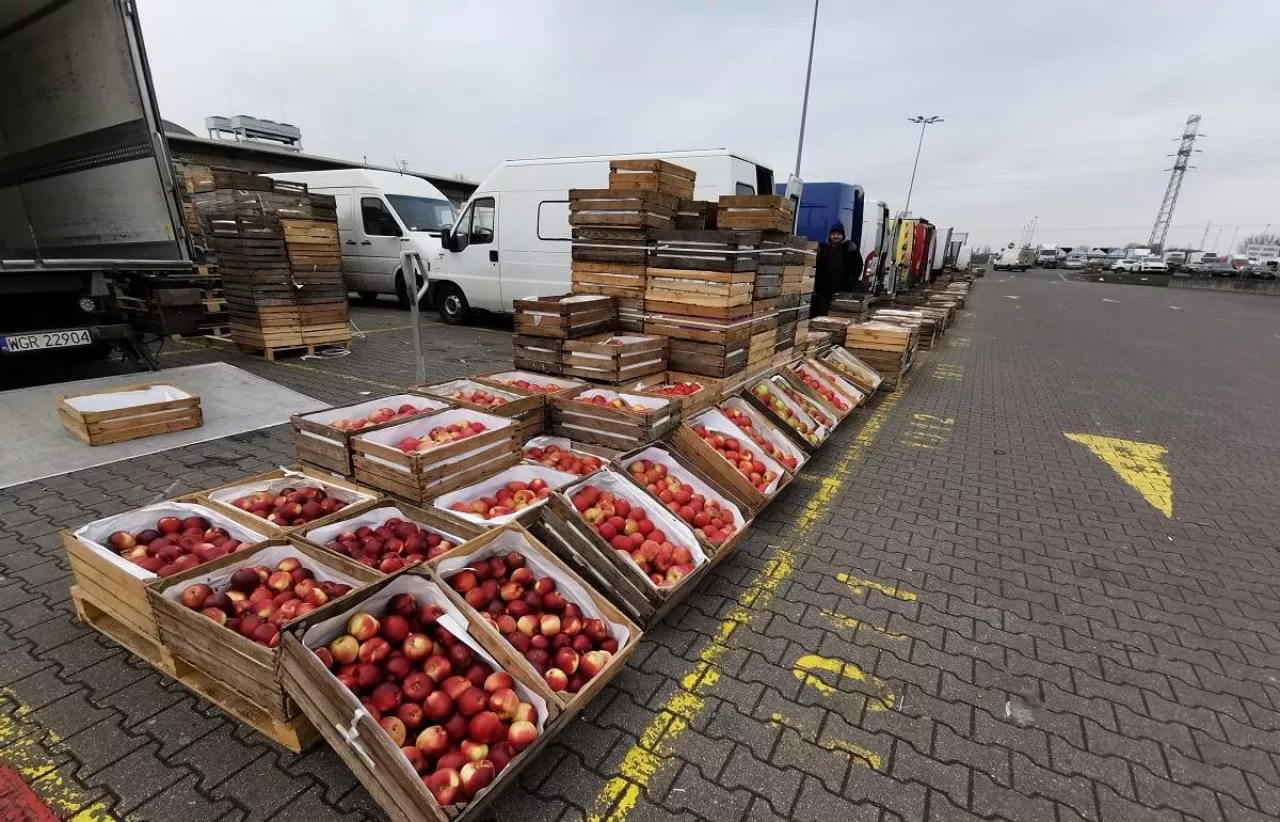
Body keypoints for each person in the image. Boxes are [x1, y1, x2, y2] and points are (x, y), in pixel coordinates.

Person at [812, 223, 864, 317]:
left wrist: (851, 282)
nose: (835, 236)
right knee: (822, 314)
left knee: (839, 313)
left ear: (842, 235)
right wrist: (817, 282)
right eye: (833, 234)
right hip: (824, 289)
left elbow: (858, 266)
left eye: (838, 234)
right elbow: (815, 265)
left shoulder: (849, 247)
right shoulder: (822, 247)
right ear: (830, 235)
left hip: (843, 288)